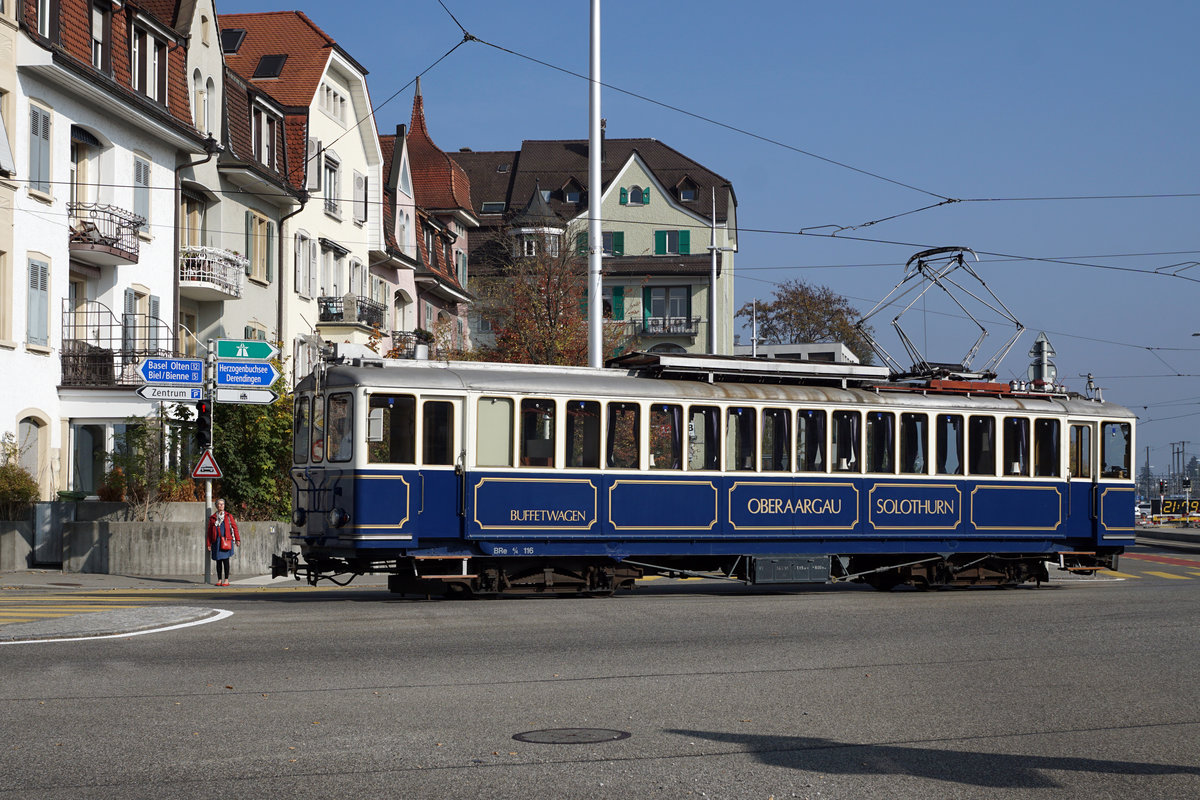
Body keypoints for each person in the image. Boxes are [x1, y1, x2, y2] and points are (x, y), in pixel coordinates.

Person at [206, 498, 241, 586]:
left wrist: (237, 539)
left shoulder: (228, 516)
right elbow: (209, 532)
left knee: (226, 561)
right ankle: (219, 580)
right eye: (219, 504)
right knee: (218, 562)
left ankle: (226, 579)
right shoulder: (213, 518)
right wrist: (209, 543)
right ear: (216, 506)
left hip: (226, 541)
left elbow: (234, 528)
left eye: (222, 504)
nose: (221, 505)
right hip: (216, 542)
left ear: (224, 506)